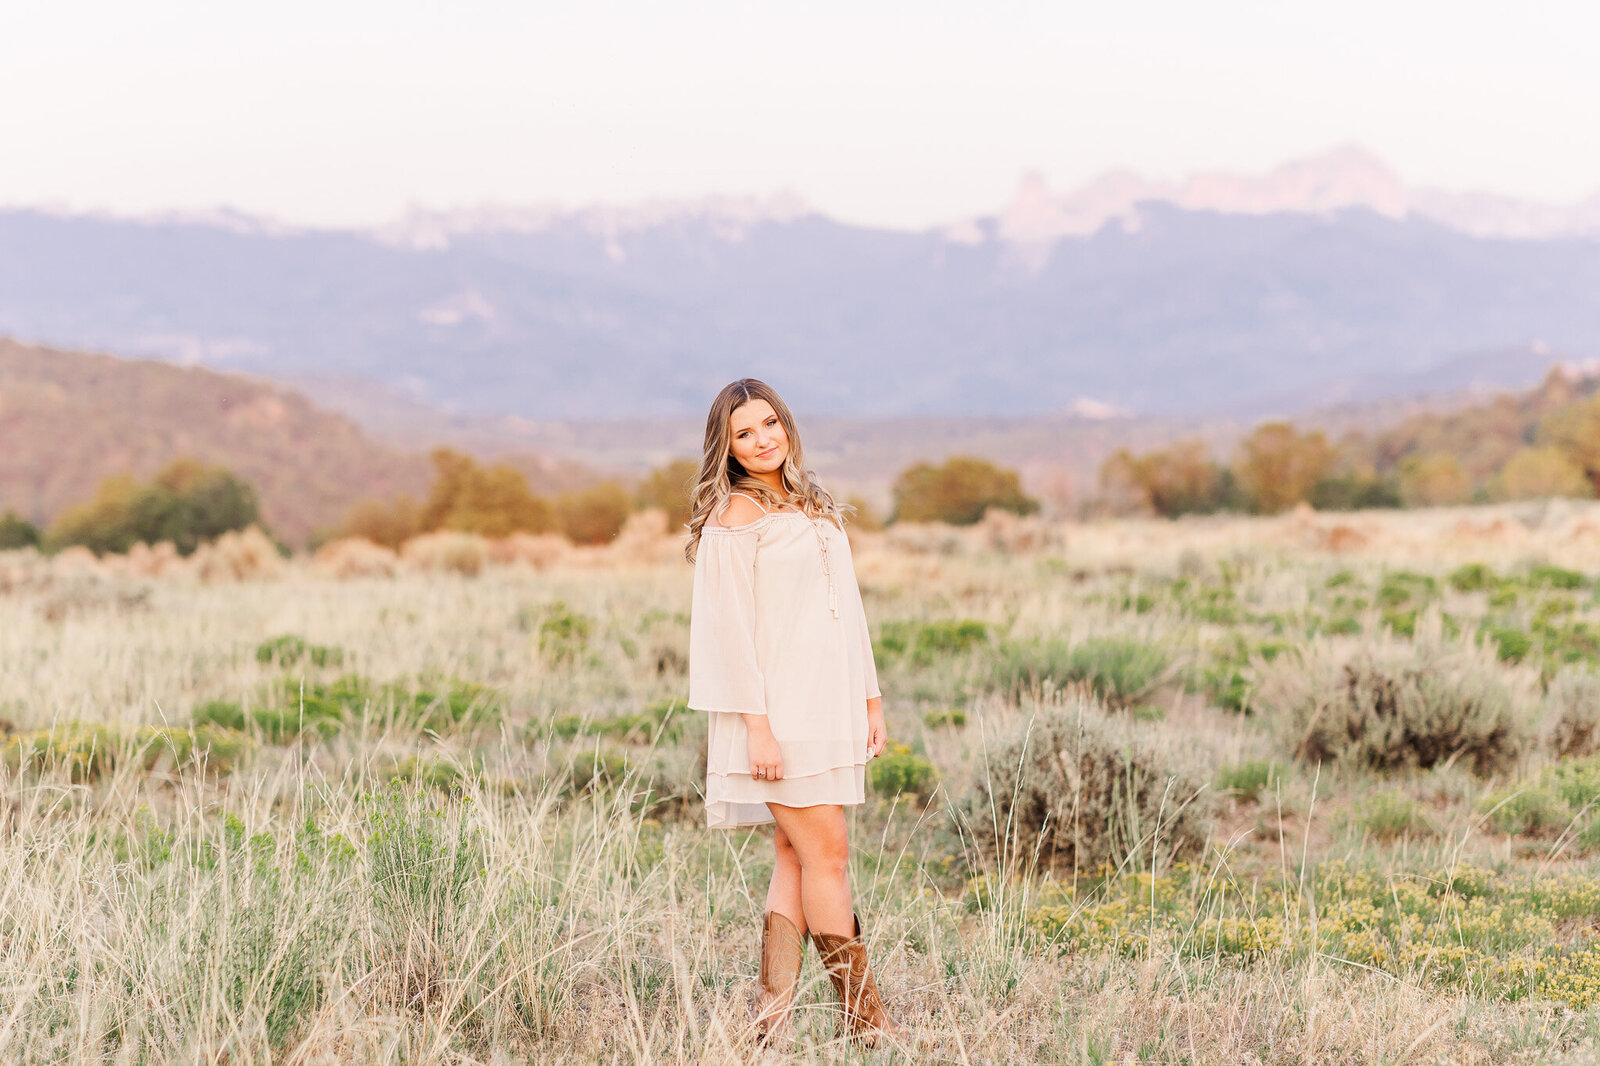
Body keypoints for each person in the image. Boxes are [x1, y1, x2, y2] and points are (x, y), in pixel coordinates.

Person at [684, 378, 903, 1048]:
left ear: (786, 425)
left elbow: (850, 611)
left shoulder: (808, 501)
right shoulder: (735, 518)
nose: (762, 440)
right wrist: (757, 729)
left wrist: (870, 699)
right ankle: (867, 1024)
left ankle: (766, 1025)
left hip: (828, 703)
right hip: (778, 716)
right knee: (828, 856)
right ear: (727, 446)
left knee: (794, 856)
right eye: (744, 433)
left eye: (770, 424)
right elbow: (727, 634)